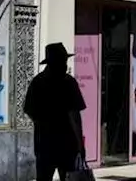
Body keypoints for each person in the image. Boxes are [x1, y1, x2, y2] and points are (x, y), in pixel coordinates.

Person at [24, 43, 87, 181]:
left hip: (45, 145)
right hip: (66, 145)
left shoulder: (37, 82)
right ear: (55, 63)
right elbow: (75, 117)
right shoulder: (68, 83)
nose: (65, 64)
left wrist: (41, 123)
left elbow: (29, 111)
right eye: (63, 60)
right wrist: (80, 145)